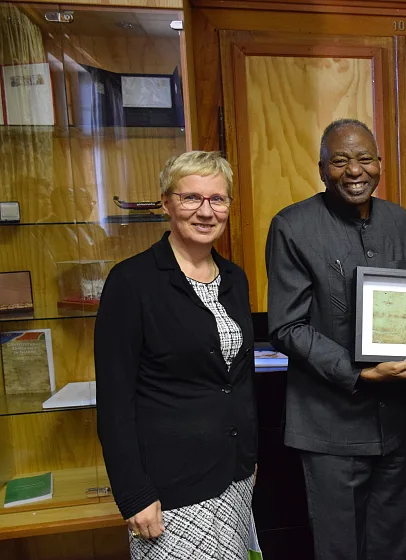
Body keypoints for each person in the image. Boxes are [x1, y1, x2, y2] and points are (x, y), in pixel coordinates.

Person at [265, 118, 406, 560]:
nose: (354, 170)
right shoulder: (292, 226)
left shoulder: (400, 221)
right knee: (340, 551)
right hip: (329, 428)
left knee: (389, 548)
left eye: (365, 158)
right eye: (340, 161)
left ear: (380, 163)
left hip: (395, 424)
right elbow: (286, 327)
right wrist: (360, 372)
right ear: (322, 169)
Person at [95, 151, 257, 559]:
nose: (206, 212)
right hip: (169, 491)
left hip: (234, 478)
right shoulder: (131, 282)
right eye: (191, 199)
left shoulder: (235, 278)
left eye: (218, 200)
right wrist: (133, 494)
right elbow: (115, 403)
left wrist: (250, 458)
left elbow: (236, 379)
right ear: (166, 203)